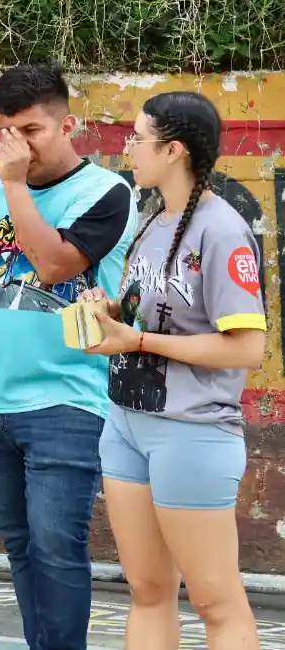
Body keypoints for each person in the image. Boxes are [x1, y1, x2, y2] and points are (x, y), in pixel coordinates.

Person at [79, 91, 263, 650]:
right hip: (128, 422)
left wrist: (137, 338)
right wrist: (112, 315)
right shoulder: (154, 221)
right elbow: (153, 315)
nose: (127, 148)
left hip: (193, 428)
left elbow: (246, 348)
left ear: (175, 149)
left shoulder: (221, 229)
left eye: (138, 138)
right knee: (148, 590)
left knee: (215, 600)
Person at [0, 64, 136, 650]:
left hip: (67, 400)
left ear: (70, 125)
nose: (19, 145)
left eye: (33, 130)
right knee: (19, 547)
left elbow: (54, 265)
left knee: (58, 548)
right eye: (7, 130)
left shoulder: (107, 194)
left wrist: (14, 186)